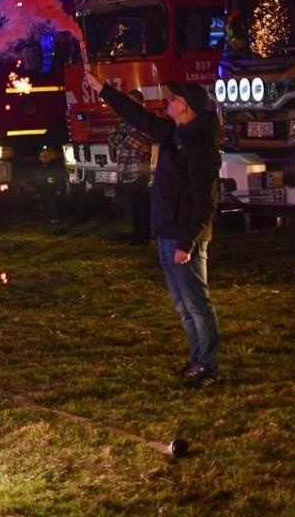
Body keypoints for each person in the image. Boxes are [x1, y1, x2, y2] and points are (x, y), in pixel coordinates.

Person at [84, 69, 221, 388]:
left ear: (186, 108)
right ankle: (196, 359)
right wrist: (103, 89)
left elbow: (206, 201)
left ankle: (208, 366)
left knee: (198, 304)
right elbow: (137, 116)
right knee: (182, 304)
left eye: (174, 99)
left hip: (185, 239)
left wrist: (187, 243)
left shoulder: (199, 144)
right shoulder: (175, 134)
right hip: (166, 232)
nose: (168, 102)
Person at [108, 89, 152, 244]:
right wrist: (121, 140)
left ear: (140, 103)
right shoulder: (124, 122)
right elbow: (113, 138)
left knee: (141, 205)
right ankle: (137, 234)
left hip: (138, 171)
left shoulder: (145, 122)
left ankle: (144, 235)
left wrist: (120, 139)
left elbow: (127, 142)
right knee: (133, 206)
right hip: (125, 171)